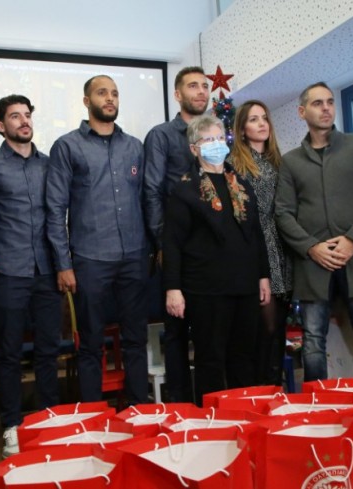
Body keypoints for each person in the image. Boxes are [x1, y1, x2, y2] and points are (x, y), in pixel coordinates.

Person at [274, 82, 353, 396]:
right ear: (302, 112)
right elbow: (283, 213)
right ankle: (318, 407)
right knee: (313, 341)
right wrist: (311, 247)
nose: (326, 108)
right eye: (317, 103)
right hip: (313, 264)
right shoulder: (291, 161)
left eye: (329, 102)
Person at [47, 75, 149, 405]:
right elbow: (55, 208)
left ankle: (138, 409)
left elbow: (145, 201)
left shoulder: (134, 146)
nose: (110, 98)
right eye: (102, 93)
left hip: (134, 255)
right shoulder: (67, 146)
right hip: (90, 259)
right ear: (86, 101)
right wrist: (63, 264)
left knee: (136, 339)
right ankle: (94, 414)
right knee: (90, 343)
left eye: (115, 93)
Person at [0, 94, 62, 459]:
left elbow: (57, 214)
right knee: (9, 354)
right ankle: (12, 425)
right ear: (0, 125)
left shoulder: (50, 164)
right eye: (14, 116)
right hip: (9, 271)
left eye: (27, 115)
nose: (24, 121)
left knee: (48, 351)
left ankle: (49, 420)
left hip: (48, 271)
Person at [163, 114, 271, 405]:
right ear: (194, 149)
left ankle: (244, 415)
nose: (216, 144)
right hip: (206, 289)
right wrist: (173, 288)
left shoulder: (241, 185)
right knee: (210, 360)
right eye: (208, 139)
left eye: (220, 138)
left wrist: (263, 275)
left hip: (245, 285)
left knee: (243, 357)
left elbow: (256, 234)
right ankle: (211, 420)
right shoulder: (185, 189)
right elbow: (172, 243)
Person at [143, 66, 210, 402]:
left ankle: (213, 403)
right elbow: (152, 191)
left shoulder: (215, 133)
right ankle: (181, 406)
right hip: (177, 245)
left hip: (212, 248)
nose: (201, 91)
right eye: (193, 86)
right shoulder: (162, 135)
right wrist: (162, 243)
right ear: (178, 94)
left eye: (205, 86)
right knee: (177, 331)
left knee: (211, 331)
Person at [229, 99, 293, 386]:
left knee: (279, 329)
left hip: (283, 249)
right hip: (255, 250)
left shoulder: (279, 161)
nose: (262, 123)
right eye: (253, 119)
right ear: (242, 129)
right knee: (263, 329)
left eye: (264, 118)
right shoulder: (235, 165)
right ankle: (261, 390)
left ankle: (275, 388)